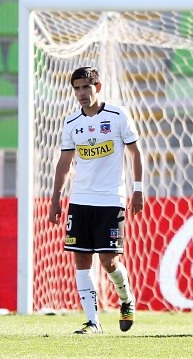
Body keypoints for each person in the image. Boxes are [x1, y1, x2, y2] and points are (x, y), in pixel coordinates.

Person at [48, 66, 143, 335]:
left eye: (86, 88)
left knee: (108, 260)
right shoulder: (71, 123)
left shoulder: (118, 115)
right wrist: (56, 199)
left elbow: (136, 153)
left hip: (111, 199)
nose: (81, 93)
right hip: (80, 201)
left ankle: (126, 299)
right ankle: (93, 322)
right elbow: (64, 163)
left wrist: (138, 189)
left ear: (97, 87)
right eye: (77, 88)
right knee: (80, 260)